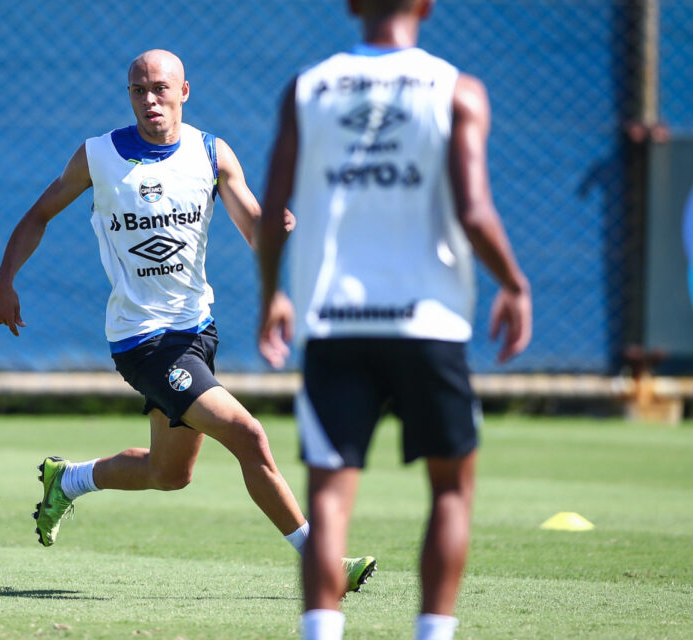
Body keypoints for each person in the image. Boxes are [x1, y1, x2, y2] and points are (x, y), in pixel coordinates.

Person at [0, 49, 377, 591]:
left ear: (184, 91)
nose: (150, 99)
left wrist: (277, 228)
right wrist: (4, 279)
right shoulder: (97, 156)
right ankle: (321, 564)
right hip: (143, 342)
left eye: (160, 88)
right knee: (248, 434)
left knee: (168, 474)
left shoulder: (211, 154)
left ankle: (68, 479)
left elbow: (252, 228)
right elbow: (37, 215)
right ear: (129, 96)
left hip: (197, 332)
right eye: (139, 90)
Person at [255, 2, 532, 639]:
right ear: (427, 5)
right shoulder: (458, 90)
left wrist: (272, 293)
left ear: (352, 5)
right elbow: (475, 210)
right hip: (429, 324)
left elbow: (273, 213)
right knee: (451, 492)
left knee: (328, 499)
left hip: (337, 324)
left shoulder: (307, 89)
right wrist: (514, 283)